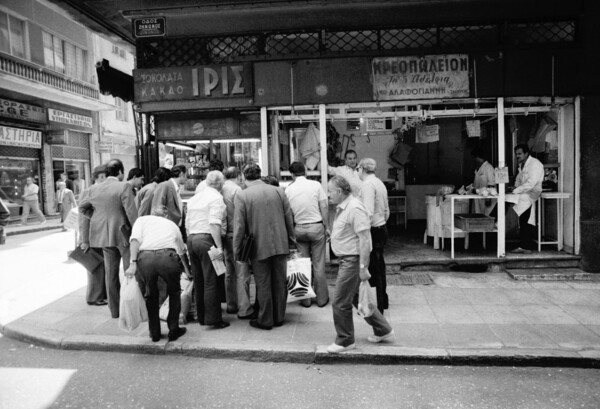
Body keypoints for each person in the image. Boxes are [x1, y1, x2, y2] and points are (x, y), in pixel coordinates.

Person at [326, 175, 394, 353]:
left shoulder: (355, 208)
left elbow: (365, 240)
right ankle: (383, 330)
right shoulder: (345, 206)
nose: (328, 195)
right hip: (347, 260)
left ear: (339, 192)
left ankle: (345, 340)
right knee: (358, 299)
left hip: (352, 261)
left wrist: (363, 268)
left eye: (330, 191)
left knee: (340, 301)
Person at [233, 163, 296, 330]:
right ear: (260, 175)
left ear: (244, 176)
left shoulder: (243, 195)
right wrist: (291, 241)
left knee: (263, 283)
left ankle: (265, 320)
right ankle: (279, 317)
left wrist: (237, 250)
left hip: (258, 245)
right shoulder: (278, 191)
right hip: (281, 243)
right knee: (279, 282)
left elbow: (239, 226)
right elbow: (289, 219)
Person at [79, 159, 138, 318]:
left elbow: (82, 208)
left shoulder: (93, 189)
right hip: (123, 235)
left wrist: (96, 218)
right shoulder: (123, 186)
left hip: (104, 236)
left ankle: (115, 311)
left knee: (110, 275)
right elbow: (132, 214)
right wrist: (138, 232)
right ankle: (130, 309)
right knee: (129, 272)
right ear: (120, 172)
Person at [126, 205, 190, 342]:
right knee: (174, 292)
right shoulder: (172, 224)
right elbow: (181, 250)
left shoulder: (142, 220)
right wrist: (187, 270)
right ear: (166, 216)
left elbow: (135, 241)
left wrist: (133, 262)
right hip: (167, 257)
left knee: (151, 295)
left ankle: (154, 332)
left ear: (152, 214)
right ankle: (174, 329)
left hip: (146, 258)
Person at [186, 170, 230, 329]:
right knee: (212, 280)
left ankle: (202, 316)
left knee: (199, 280)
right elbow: (214, 223)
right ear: (219, 183)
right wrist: (219, 247)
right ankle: (214, 319)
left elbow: (187, 223)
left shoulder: (195, 198)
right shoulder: (217, 198)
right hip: (206, 240)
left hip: (192, 239)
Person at [285, 161, 329, 308]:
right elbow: (324, 205)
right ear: (305, 171)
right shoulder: (316, 185)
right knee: (319, 265)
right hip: (316, 228)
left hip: (299, 229)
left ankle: (306, 300)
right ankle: (322, 299)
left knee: (303, 265)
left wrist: (291, 233)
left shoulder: (289, 189)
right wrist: (327, 226)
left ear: (292, 174)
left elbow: (288, 214)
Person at [357, 158, 390, 313]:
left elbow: (368, 212)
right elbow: (386, 211)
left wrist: (362, 232)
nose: (357, 172)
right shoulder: (379, 183)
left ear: (362, 169)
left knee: (374, 269)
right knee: (380, 266)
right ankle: (383, 299)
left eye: (358, 168)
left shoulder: (368, 185)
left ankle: (379, 306)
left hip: (373, 229)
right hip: (381, 226)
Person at [221, 166, 253, 317]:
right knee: (242, 272)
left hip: (224, 234)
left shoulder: (219, 188)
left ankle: (231, 304)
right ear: (239, 176)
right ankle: (244, 308)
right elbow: (242, 215)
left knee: (229, 271)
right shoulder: (237, 190)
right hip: (236, 234)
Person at [79, 165, 108, 306]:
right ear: (100, 177)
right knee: (95, 267)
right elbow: (83, 218)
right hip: (92, 236)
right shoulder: (89, 191)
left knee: (102, 266)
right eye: (105, 177)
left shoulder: (101, 190)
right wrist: (84, 240)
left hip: (101, 234)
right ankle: (94, 297)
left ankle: (101, 294)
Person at [509, 144, 545, 254]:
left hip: (531, 193)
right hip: (524, 192)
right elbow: (519, 179)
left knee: (526, 218)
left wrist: (516, 190)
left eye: (519, 154)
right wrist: (514, 187)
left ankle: (526, 246)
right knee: (524, 218)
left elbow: (531, 183)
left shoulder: (535, 164)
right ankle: (524, 245)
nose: (517, 156)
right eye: (516, 154)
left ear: (526, 153)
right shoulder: (522, 165)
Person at [471, 148, 496, 215]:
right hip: (479, 197)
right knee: (479, 215)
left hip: (487, 198)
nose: (474, 160)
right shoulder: (478, 168)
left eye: (475, 158)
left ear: (478, 157)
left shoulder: (489, 167)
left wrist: (488, 198)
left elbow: (492, 183)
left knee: (487, 216)